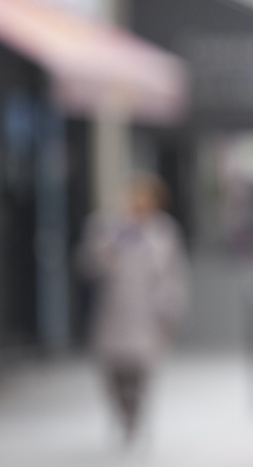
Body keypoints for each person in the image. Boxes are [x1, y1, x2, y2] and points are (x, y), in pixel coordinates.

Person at [77, 172, 189, 445]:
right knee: (114, 369)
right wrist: (115, 243)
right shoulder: (108, 226)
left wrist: (172, 309)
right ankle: (122, 413)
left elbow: (174, 274)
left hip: (148, 313)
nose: (140, 202)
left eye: (146, 198)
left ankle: (133, 419)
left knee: (140, 370)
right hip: (113, 311)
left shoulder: (164, 231)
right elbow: (87, 264)